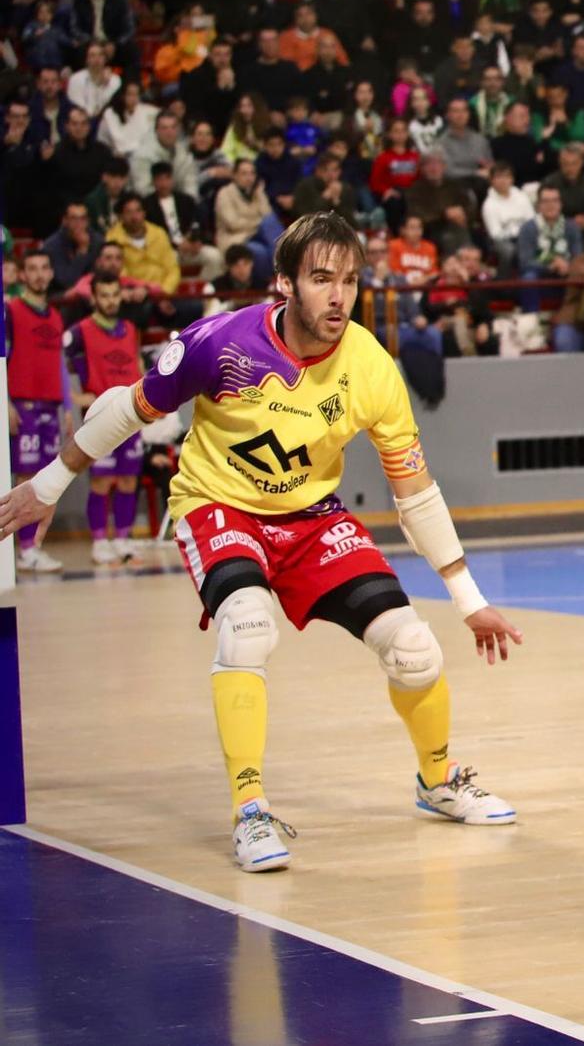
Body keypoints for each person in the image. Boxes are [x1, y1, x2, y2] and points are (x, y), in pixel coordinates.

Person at [0, 214, 523, 872]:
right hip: (218, 505)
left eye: (351, 281)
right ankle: (250, 809)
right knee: (247, 628)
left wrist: (469, 600)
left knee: (415, 649)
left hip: (310, 517)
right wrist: (48, 484)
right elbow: (126, 408)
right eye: (322, 279)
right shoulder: (218, 342)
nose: (339, 297)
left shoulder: (371, 368)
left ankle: (438, 781)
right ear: (284, 284)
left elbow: (414, 492)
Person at [63, 272, 145, 564]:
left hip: (131, 414)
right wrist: (73, 397)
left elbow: (138, 366)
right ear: (94, 297)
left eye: (114, 294)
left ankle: (122, 540)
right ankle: (99, 542)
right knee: (101, 481)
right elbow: (57, 363)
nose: (111, 301)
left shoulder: (130, 328)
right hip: (99, 417)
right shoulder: (79, 331)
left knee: (127, 480)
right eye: (105, 295)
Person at [6, 249, 68, 574]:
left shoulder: (56, 317)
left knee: (45, 478)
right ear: (22, 274)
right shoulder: (11, 311)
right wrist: (5, 401)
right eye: (32, 269)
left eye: (45, 268)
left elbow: (58, 365)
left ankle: (32, 549)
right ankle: (24, 550)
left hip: (50, 406)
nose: (40, 274)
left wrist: (67, 408)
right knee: (24, 478)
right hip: (23, 406)